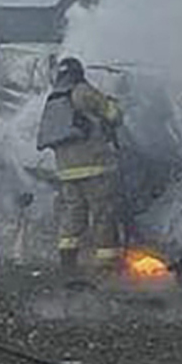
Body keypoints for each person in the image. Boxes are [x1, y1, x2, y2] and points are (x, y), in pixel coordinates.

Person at [37, 56, 123, 272]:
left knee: (73, 214)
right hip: (95, 165)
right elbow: (113, 115)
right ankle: (107, 264)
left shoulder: (54, 97)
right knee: (103, 213)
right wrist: (114, 103)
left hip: (66, 170)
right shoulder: (83, 91)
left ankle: (68, 262)